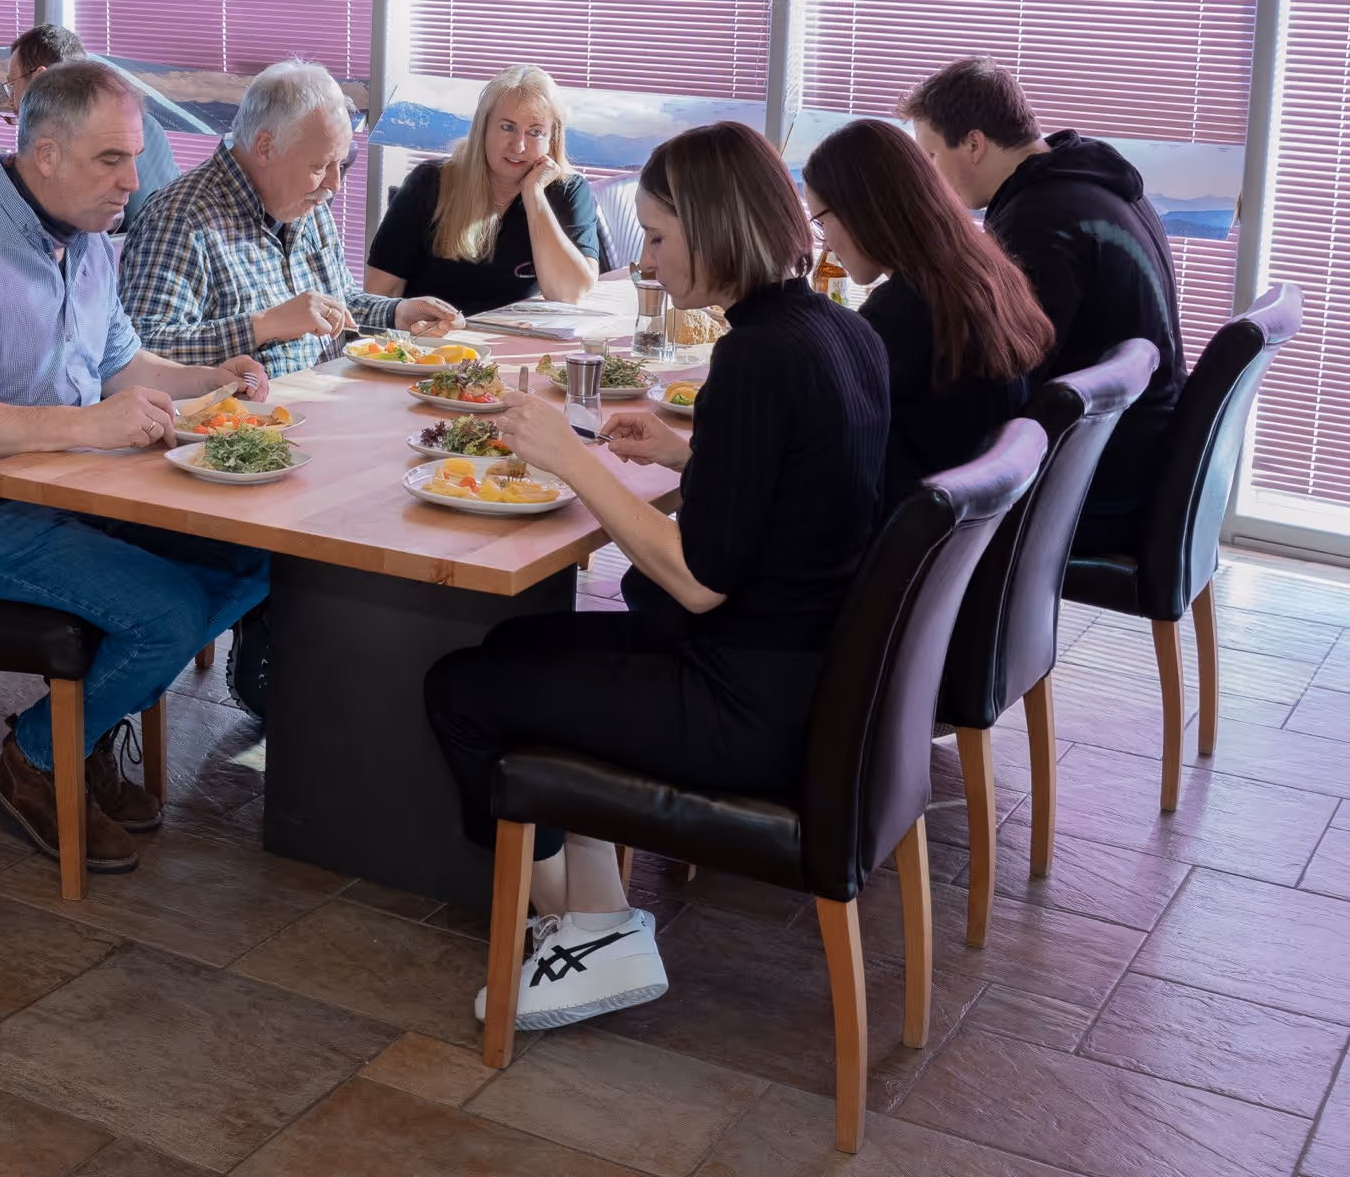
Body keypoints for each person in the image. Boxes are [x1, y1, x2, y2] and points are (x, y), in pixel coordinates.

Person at [425, 121, 890, 1031]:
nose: (648, 261)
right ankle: (594, 924)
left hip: (743, 706)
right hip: (810, 678)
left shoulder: (756, 356)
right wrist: (688, 456)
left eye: (659, 237)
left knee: (462, 689)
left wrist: (570, 456)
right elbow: (798, 492)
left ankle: (580, 928)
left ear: (718, 232)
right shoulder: (839, 332)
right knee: (521, 645)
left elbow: (697, 581)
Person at [0, 60, 275, 874]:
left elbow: (127, 369)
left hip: (64, 504)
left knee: (260, 557)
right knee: (164, 613)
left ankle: (81, 729)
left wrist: (214, 378)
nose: (135, 180)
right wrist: (89, 424)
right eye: (111, 160)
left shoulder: (88, 244)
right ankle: (37, 757)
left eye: (134, 156)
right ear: (45, 154)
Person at [900, 58, 1183, 552]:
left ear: (973, 143)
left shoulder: (1039, 220)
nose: (927, 176)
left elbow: (1008, 371)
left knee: (900, 466)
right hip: (1143, 455)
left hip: (1103, 488)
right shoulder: (1092, 183)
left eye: (929, 157)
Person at [119, 59, 458, 376]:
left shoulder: (306, 201)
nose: (334, 183)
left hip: (329, 401)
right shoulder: (180, 219)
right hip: (248, 427)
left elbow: (336, 304)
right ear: (265, 148)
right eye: (318, 166)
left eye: (340, 164)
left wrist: (397, 313)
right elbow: (143, 350)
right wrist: (263, 325)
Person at [805, 118, 1054, 505]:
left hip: (905, 542)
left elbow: (815, 436)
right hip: (963, 539)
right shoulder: (978, 274)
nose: (826, 246)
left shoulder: (904, 314)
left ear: (861, 210)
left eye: (821, 223)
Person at [365, 64, 601, 312]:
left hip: (515, 345)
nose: (519, 146)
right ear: (483, 128)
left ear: (552, 138)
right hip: (434, 343)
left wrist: (534, 196)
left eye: (535, 132)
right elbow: (379, 296)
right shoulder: (430, 183)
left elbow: (569, 294)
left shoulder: (567, 190)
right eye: (507, 127)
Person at [0, 24, 178, 223]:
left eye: (12, 85)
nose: (11, 100)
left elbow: (7, 212)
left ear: (39, 78)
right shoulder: (146, 123)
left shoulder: (70, 136)